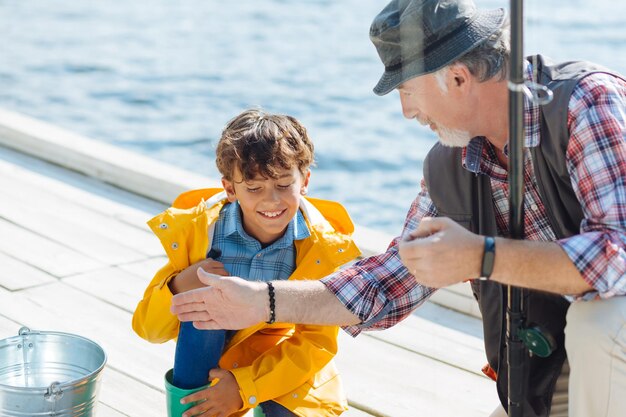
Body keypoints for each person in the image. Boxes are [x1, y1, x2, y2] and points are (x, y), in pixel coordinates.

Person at [170, 1, 626, 416]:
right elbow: (385, 283)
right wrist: (262, 302)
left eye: (407, 90)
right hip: (554, 371)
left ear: (458, 77)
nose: (407, 112)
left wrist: (481, 256)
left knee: (599, 323)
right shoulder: (450, 166)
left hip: (611, 346)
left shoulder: (587, 103)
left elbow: (617, 257)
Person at [132, 108, 361, 417]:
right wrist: (177, 285)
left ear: (304, 181)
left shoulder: (324, 247)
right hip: (214, 355)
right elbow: (149, 329)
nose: (271, 201)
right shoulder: (201, 234)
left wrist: (242, 389)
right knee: (202, 309)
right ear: (230, 189)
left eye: (283, 185)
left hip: (283, 358)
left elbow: (315, 343)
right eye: (253, 188)